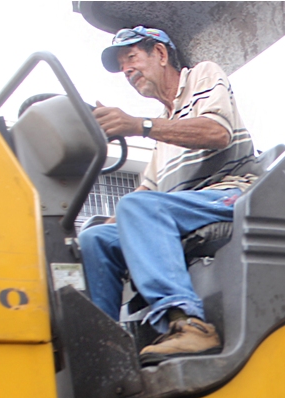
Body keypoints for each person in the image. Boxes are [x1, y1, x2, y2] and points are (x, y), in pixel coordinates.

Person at [78, 26, 257, 365]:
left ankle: (187, 323)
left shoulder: (202, 76)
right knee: (96, 239)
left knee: (138, 208)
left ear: (160, 53)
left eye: (131, 58)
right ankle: (103, 354)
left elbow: (217, 133)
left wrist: (138, 126)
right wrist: (98, 225)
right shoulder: (163, 126)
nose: (127, 71)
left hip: (229, 194)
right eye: (122, 67)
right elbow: (146, 190)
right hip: (178, 209)